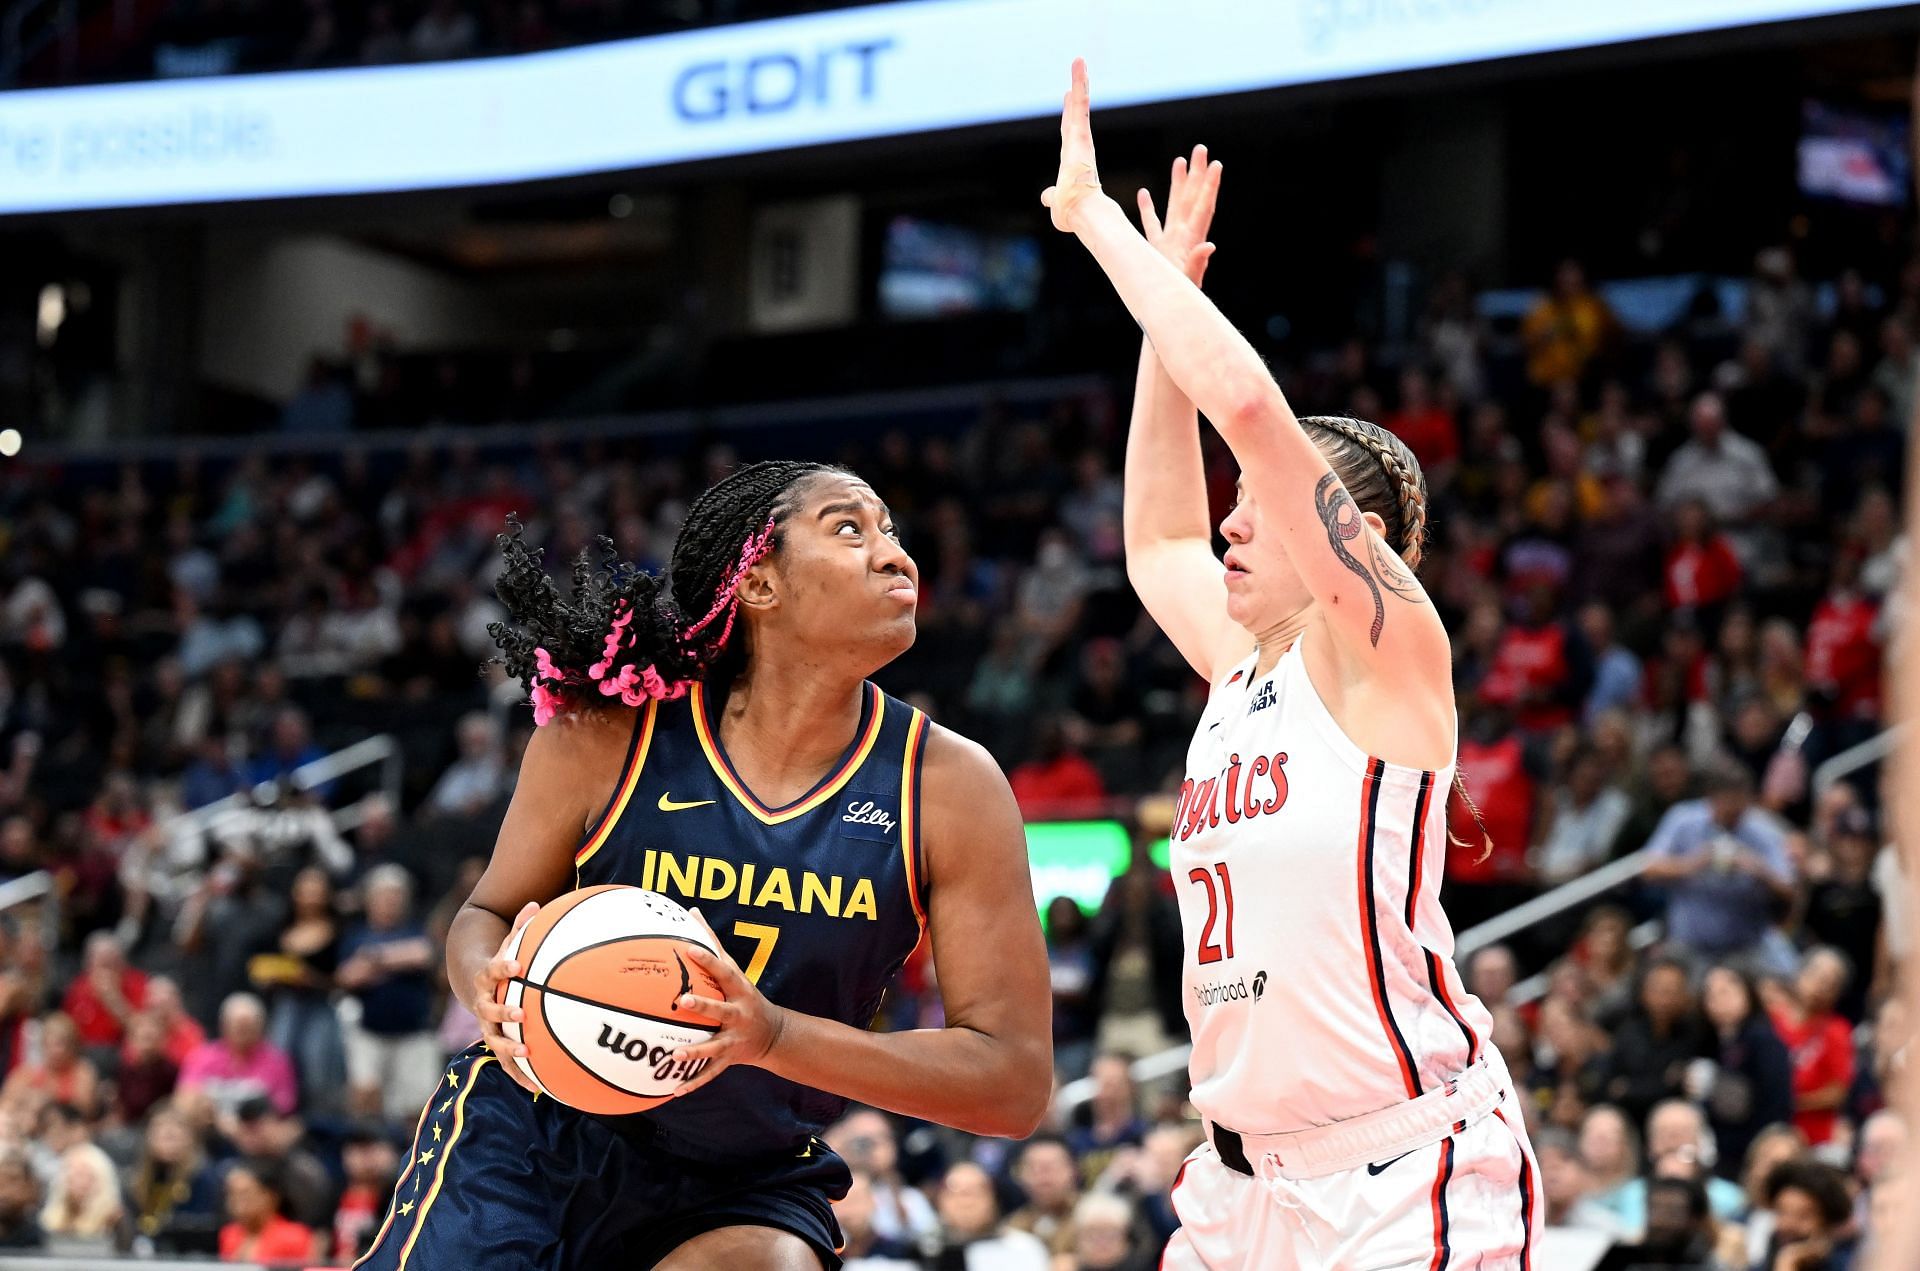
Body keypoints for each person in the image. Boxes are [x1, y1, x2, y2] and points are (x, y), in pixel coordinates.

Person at [1043, 70, 1538, 1266]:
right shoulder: (1239, 661)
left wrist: (1098, 223)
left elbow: (1257, 419)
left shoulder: (1385, 653)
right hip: (1238, 1181)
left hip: (1403, 1167)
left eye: (1256, 511)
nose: (1230, 525)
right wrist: (1171, 316)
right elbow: (1156, 535)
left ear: (1338, 538)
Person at [357, 460, 1051, 1270]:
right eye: (851, 529)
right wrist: (488, 983)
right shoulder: (607, 734)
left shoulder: (949, 787)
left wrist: (774, 1035)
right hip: (537, 1130)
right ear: (758, 582)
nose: (896, 554)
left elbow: (1011, 1080)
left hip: (743, 1171)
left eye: (893, 532)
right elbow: (486, 913)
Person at [1697, 965, 1794, 1178]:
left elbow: (1776, 1100)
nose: (1718, 1000)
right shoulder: (1711, 1044)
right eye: (1710, 994)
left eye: (1726, 991)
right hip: (1721, 1148)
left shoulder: (1763, 1040)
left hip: (1752, 1148)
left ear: (1748, 993)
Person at [217, 1159, 314, 1264]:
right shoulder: (228, 1234)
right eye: (231, 1194)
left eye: (245, 1195)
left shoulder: (295, 1237)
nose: (236, 1203)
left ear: (271, 1196)